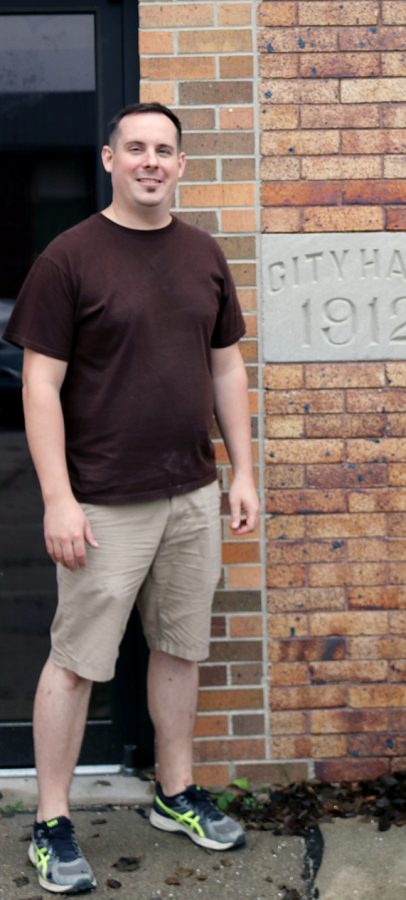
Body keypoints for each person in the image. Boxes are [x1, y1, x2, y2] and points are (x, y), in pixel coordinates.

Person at [3, 102, 259, 895]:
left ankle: (174, 792)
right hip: (104, 500)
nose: (151, 161)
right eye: (136, 148)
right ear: (109, 159)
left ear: (181, 165)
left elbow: (226, 369)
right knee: (77, 661)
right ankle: (51, 821)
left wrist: (242, 472)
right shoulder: (68, 258)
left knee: (180, 649)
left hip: (190, 492)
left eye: (165, 150)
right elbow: (38, 387)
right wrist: (57, 499)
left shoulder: (202, 254)